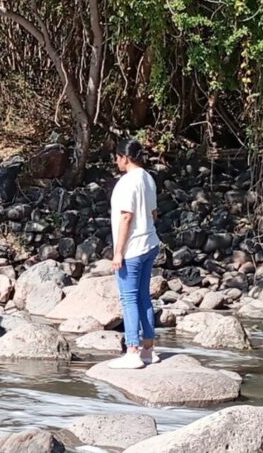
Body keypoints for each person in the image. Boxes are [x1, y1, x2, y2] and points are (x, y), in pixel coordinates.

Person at [108, 139, 161, 369]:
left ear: (125, 158)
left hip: (133, 249)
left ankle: (132, 350)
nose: (116, 162)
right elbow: (153, 213)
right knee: (143, 297)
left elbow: (126, 217)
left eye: (117, 158)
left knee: (129, 298)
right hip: (150, 243)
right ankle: (148, 349)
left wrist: (118, 252)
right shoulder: (148, 178)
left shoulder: (127, 182)